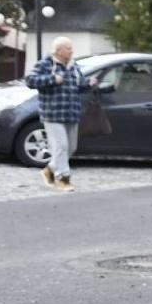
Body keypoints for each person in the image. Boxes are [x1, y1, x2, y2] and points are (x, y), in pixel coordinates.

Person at [25, 37, 98, 192]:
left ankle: (49, 170)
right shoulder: (45, 64)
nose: (71, 51)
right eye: (68, 48)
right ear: (58, 50)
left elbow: (78, 85)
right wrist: (52, 79)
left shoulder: (73, 66)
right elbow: (30, 81)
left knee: (71, 148)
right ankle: (64, 179)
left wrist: (88, 83)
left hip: (72, 113)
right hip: (53, 113)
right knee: (61, 146)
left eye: (71, 48)